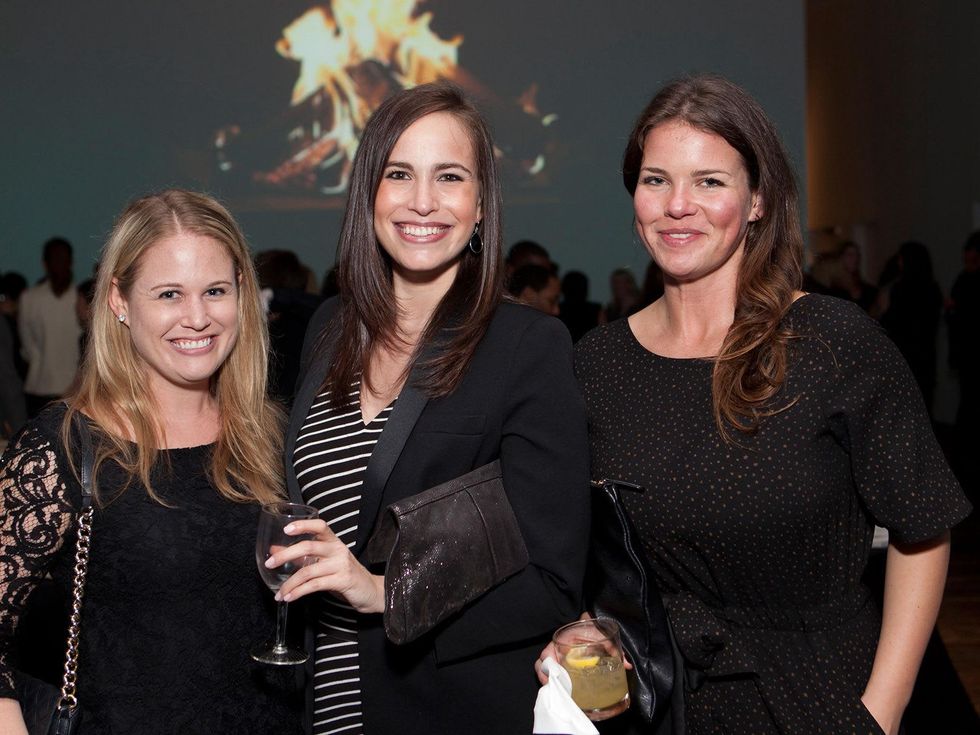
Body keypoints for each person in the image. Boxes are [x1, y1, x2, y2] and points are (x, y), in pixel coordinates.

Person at [539, 74, 970, 734]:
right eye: (656, 180)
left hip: (821, 698)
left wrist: (881, 711)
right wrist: (587, 630)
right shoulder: (596, 363)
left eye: (710, 181)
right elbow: (607, 559)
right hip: (669, 705)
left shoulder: (833, 342)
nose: (678, 204)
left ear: (758, 199)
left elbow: (922, 525)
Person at [272, 82, 589, 735]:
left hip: (444, 711)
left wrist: (386, 593)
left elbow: (552, 579)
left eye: (449, 176)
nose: (422, 200)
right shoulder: (330, 328)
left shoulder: (527, 345)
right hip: (317, 709)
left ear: (480, 205)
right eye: (399, 173)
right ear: (370, 194)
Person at [0, 190, 303, 734]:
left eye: (215, 290)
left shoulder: (271, 434)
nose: (197, 317)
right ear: (118, 300)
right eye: (168, 294)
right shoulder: (65, 446)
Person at [17, 238, 82, 417]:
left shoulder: (82, 298)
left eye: (64, 259)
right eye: (55, 259)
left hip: (77, 389)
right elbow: (27, 345)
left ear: (71, 262)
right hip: (39, 386)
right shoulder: (30, 299)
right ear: (45, 263)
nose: (60, 264)